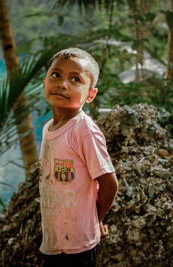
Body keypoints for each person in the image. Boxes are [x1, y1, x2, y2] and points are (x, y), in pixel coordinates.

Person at [39, 47, 118, 267]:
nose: (62, 84)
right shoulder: (48, 129)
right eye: (55, 75)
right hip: (54, 239)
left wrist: (96, 220)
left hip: (79, 245)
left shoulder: (84, 130)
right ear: (44, 82)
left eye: (75, 79)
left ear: (90, 94)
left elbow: (109, 184)